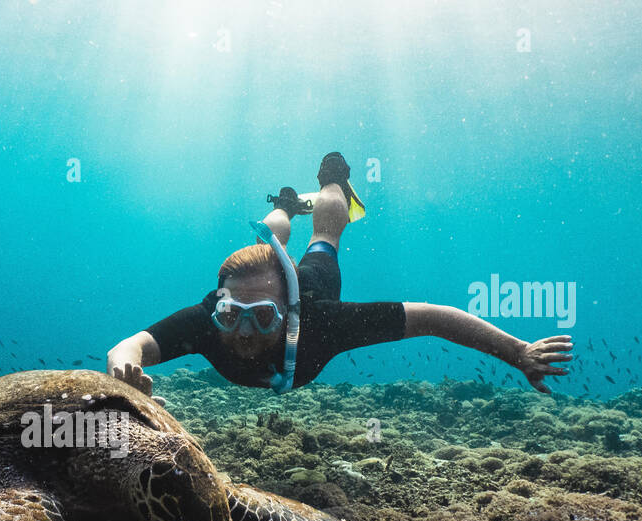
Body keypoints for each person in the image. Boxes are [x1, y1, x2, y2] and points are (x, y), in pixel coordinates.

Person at [106, 152, 572, 398]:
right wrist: (122, 371)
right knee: (265, 245)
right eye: (233, 315)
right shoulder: (206, 321)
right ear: (220, 306)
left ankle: (333, 176)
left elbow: (432, 316)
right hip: (275, 281)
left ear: (285, 312)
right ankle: (286, 207)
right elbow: (128, 347)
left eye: (264, 317)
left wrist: (518, 351)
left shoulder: (323, 321)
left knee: (326, 233)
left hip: (311, 285)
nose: (244, 330)